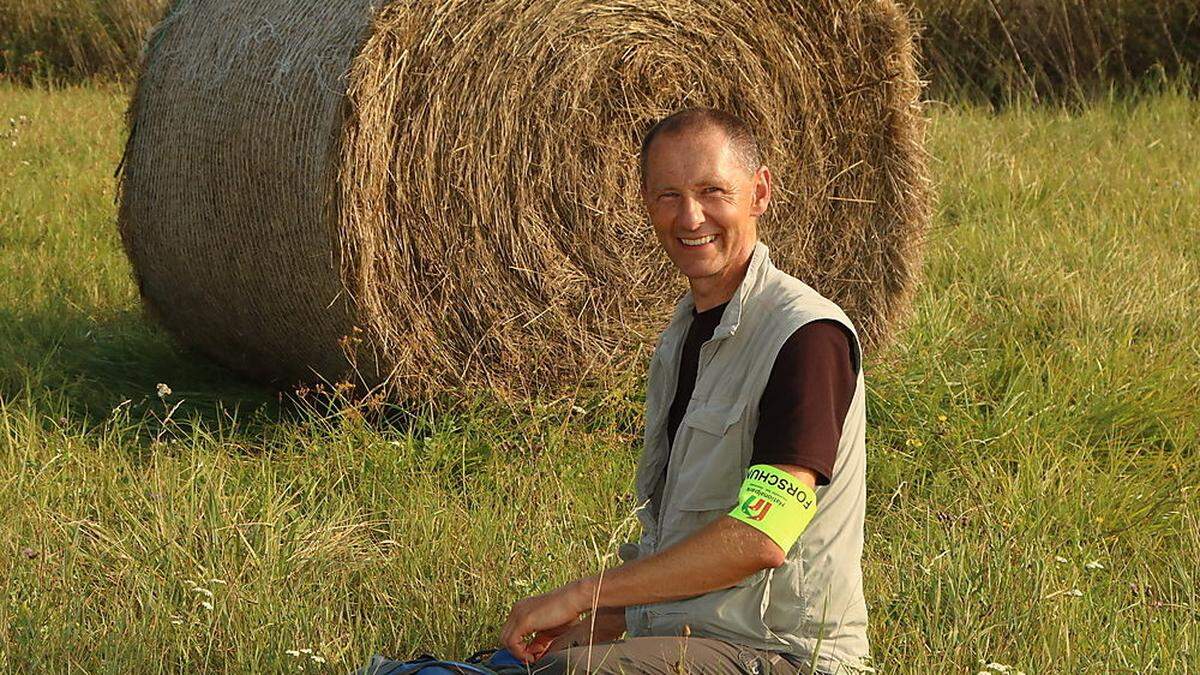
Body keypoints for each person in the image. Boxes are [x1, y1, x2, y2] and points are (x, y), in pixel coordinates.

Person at [499, 108, 872, 675]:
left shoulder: (805, 336)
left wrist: (585, 594)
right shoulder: (684, 337)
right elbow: (692, 552)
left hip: (785, 656)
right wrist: (598, 624)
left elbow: (762, 538)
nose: (691, 216)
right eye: (668, 195)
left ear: (760, 192)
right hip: (697, 637)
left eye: (712, 191)